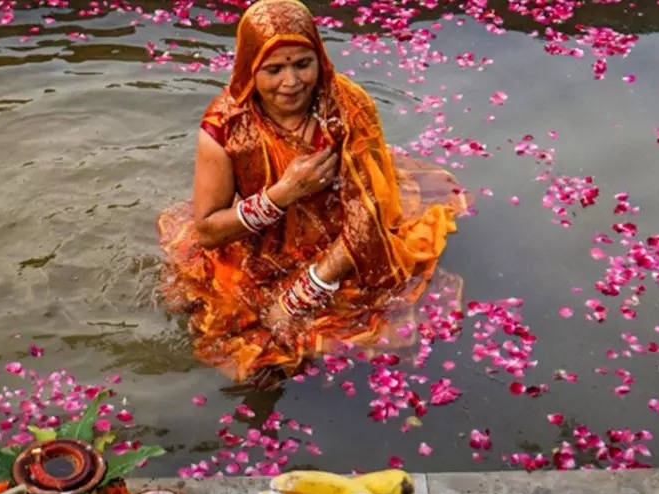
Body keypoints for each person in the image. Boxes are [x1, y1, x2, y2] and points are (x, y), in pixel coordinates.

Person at [157, 0, 469, 383]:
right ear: (250, 70)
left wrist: (299, 296)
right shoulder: (225, 125)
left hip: (340, 241)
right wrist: (281, 195)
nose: (291, 83)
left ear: (320, 58)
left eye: (302, 64)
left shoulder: (347, 108)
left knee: (338, 330)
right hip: (258, 242)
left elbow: (366, 215)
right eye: (273, 70)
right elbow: (207, 230)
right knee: (232, 343)